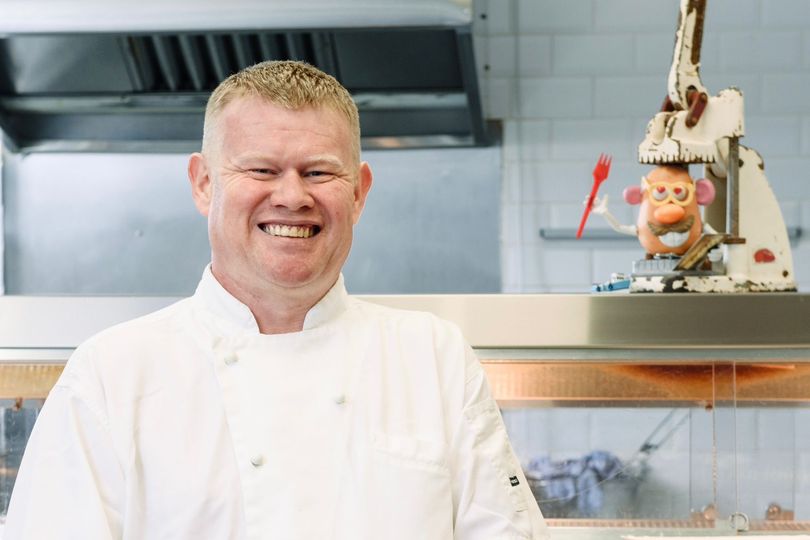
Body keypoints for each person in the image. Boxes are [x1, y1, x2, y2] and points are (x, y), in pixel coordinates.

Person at [5, 61, 548, 539]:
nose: (292, 196)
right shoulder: (111, 375)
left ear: (358, 192)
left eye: (319, 172)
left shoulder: (433, 358)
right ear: (203, 183)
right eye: (262, 170)